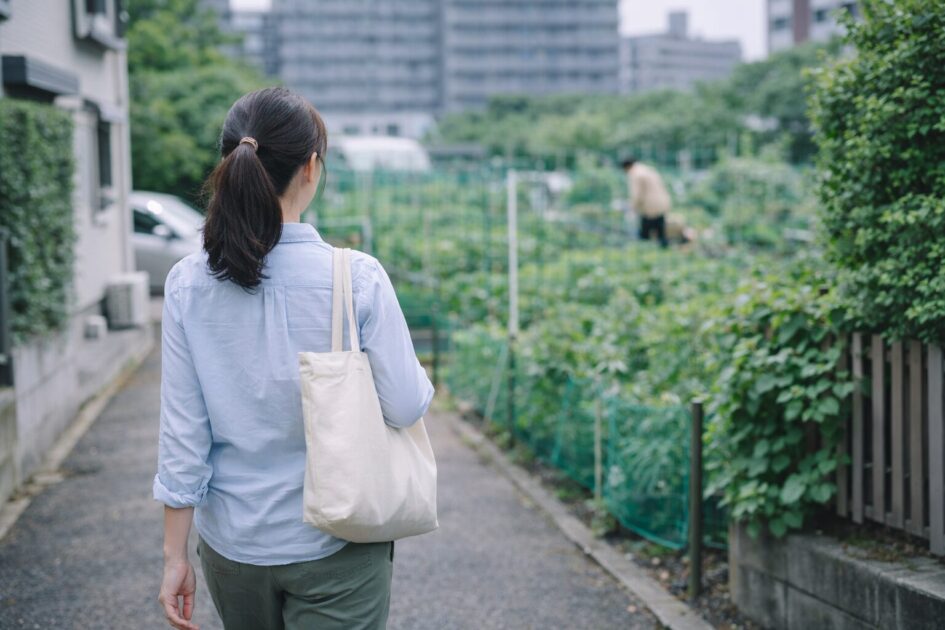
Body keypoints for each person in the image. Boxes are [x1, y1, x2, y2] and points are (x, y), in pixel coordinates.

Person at [153, 87, 434, 630]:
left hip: (234, 546)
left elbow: (182, 435)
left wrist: (173, 557)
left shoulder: (188, 283)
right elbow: (404, 406)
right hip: (340, 537)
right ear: (310, 166)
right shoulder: (356, 277)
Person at [622, 157, 671, 248]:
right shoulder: (648, 170)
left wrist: (632, 207)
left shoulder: (635, 174)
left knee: (645, 234)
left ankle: (645, 250)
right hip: (662, 203)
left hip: (649, 206)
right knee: (660, 231)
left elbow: (636, 195)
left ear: (626, 167)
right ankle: (664, 249)